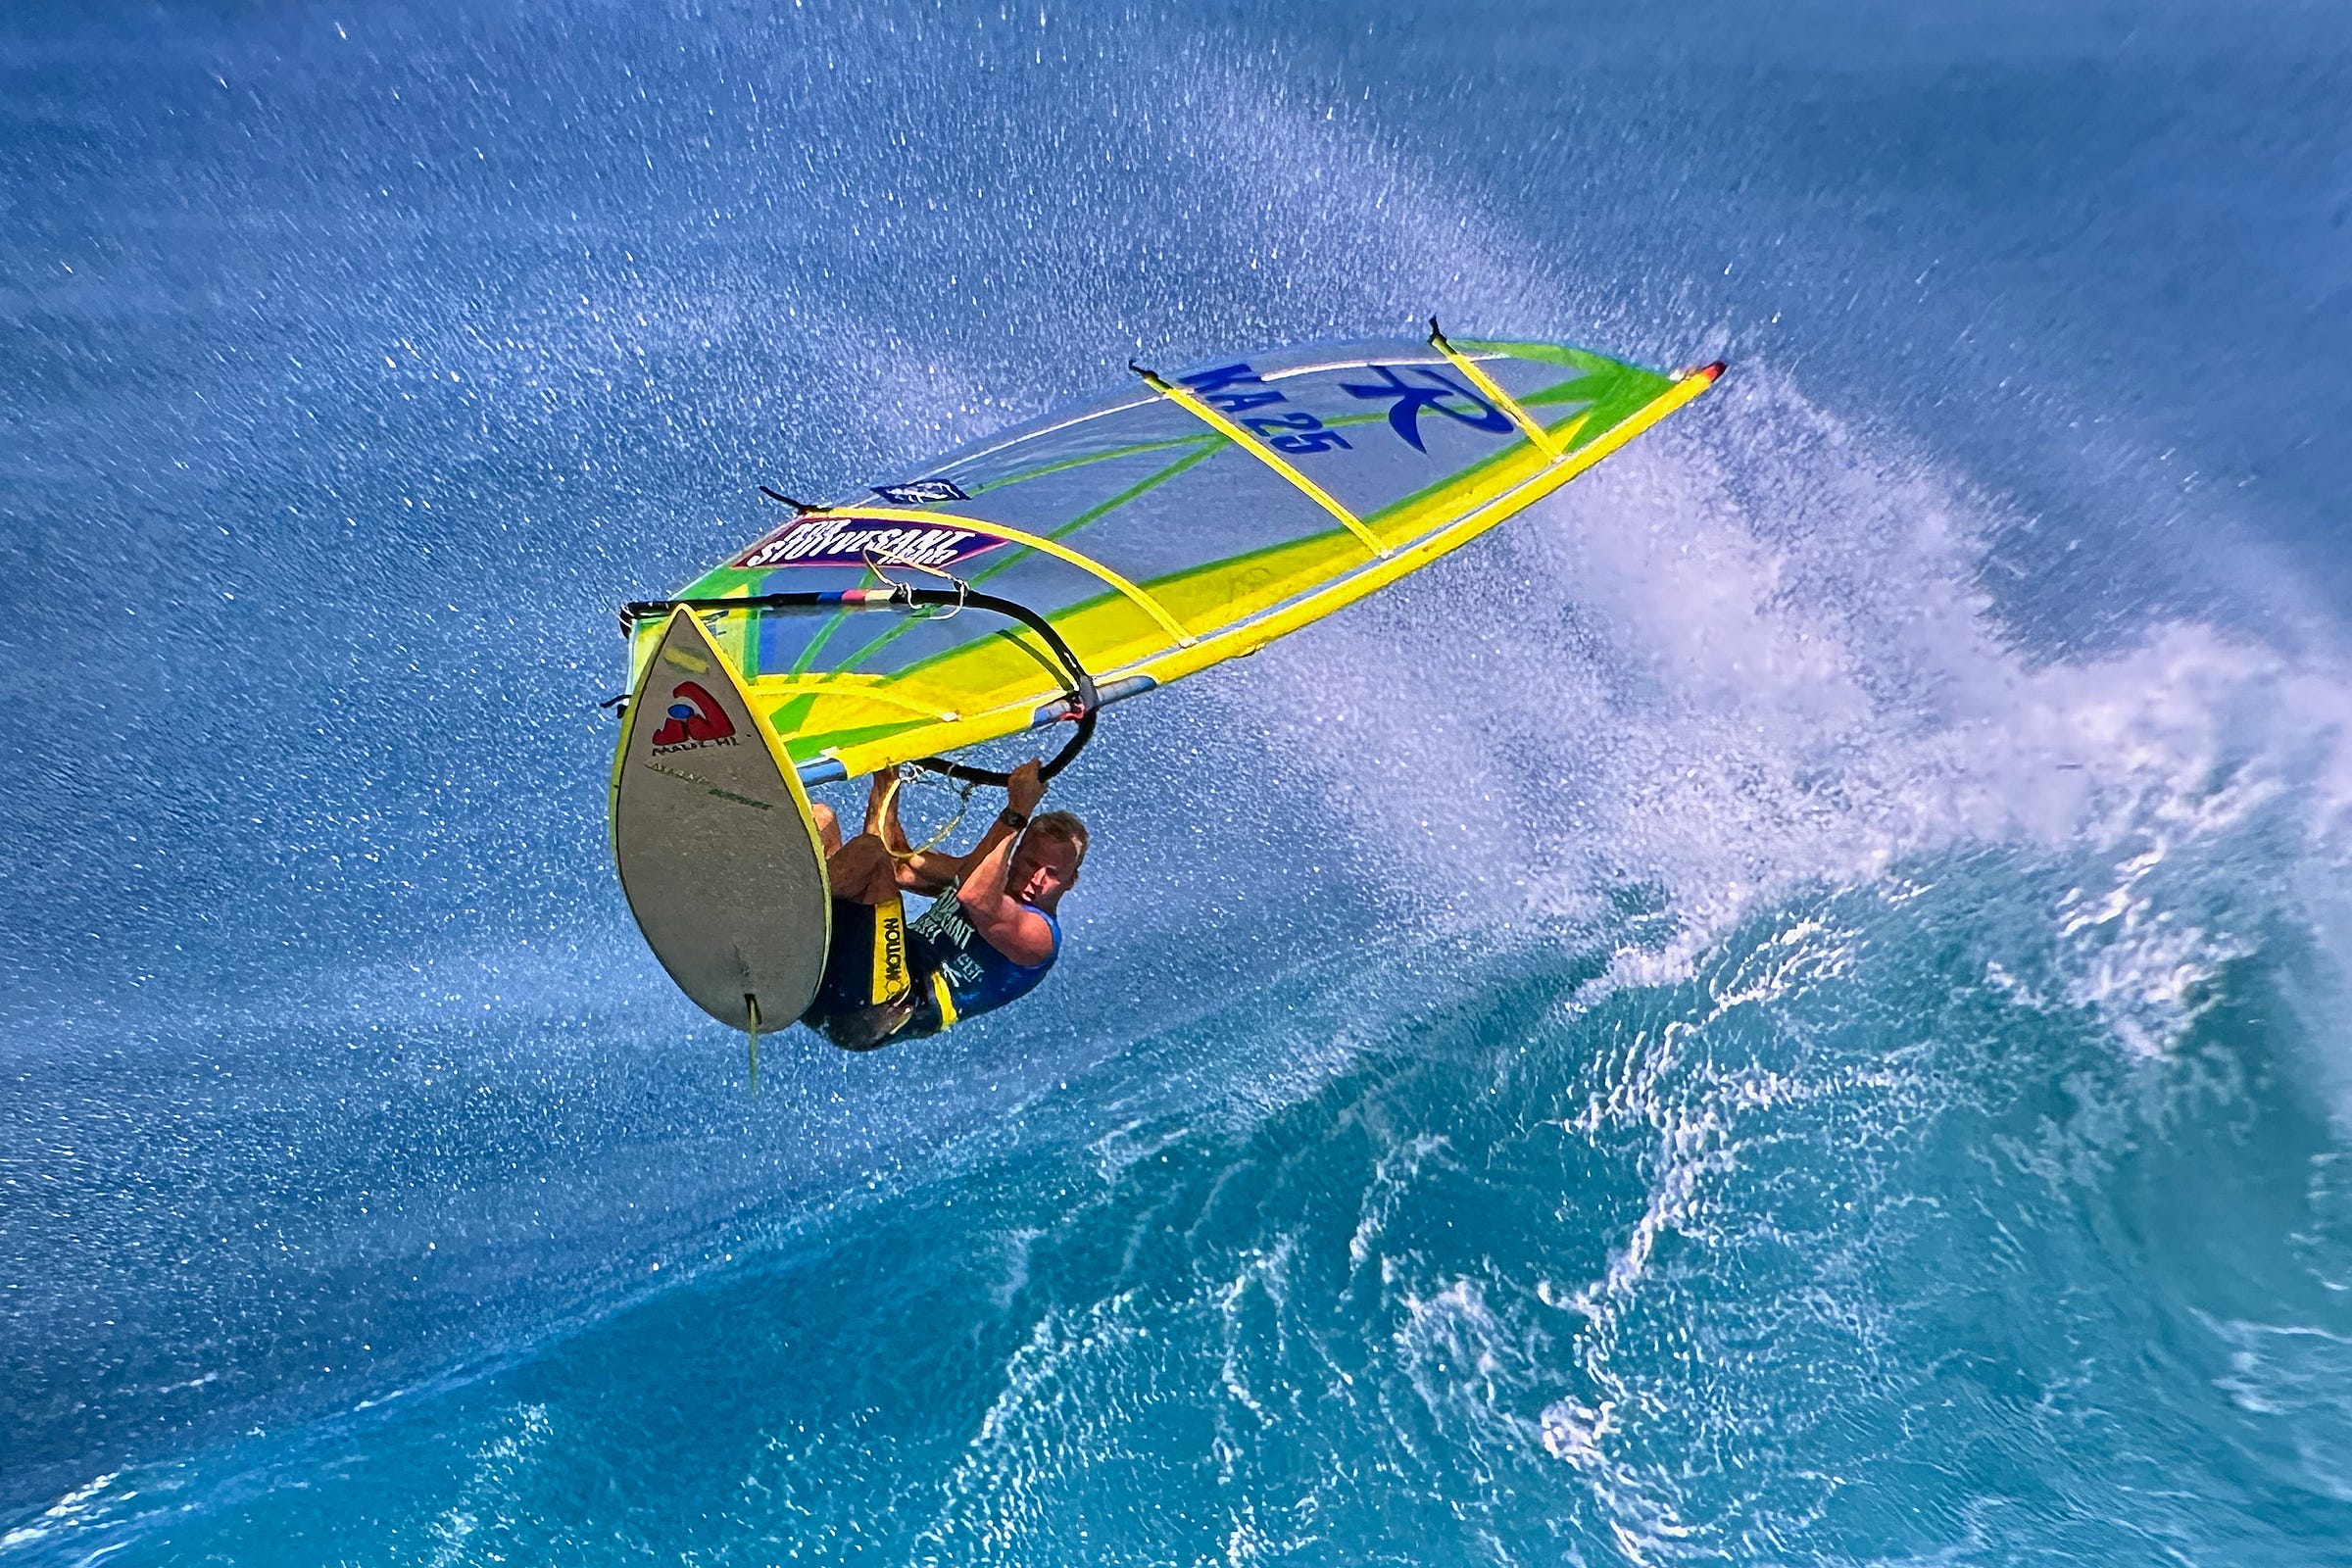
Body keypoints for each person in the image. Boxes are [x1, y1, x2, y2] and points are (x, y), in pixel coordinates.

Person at [799, 760, 1086, 1051]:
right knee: (819, 818)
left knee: (868, 852)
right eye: (1031, 863)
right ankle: (778, 899)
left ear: (1070, 881)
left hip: (873, 1010)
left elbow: (975, 896)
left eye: (1052, 874)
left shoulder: (1039, 936)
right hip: (842, 974)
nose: (1036, 879)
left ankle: (790, 912)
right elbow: (899, 865)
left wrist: (1018, 810)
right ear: (1015, 855)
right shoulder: (977, 876)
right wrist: (887, 772)